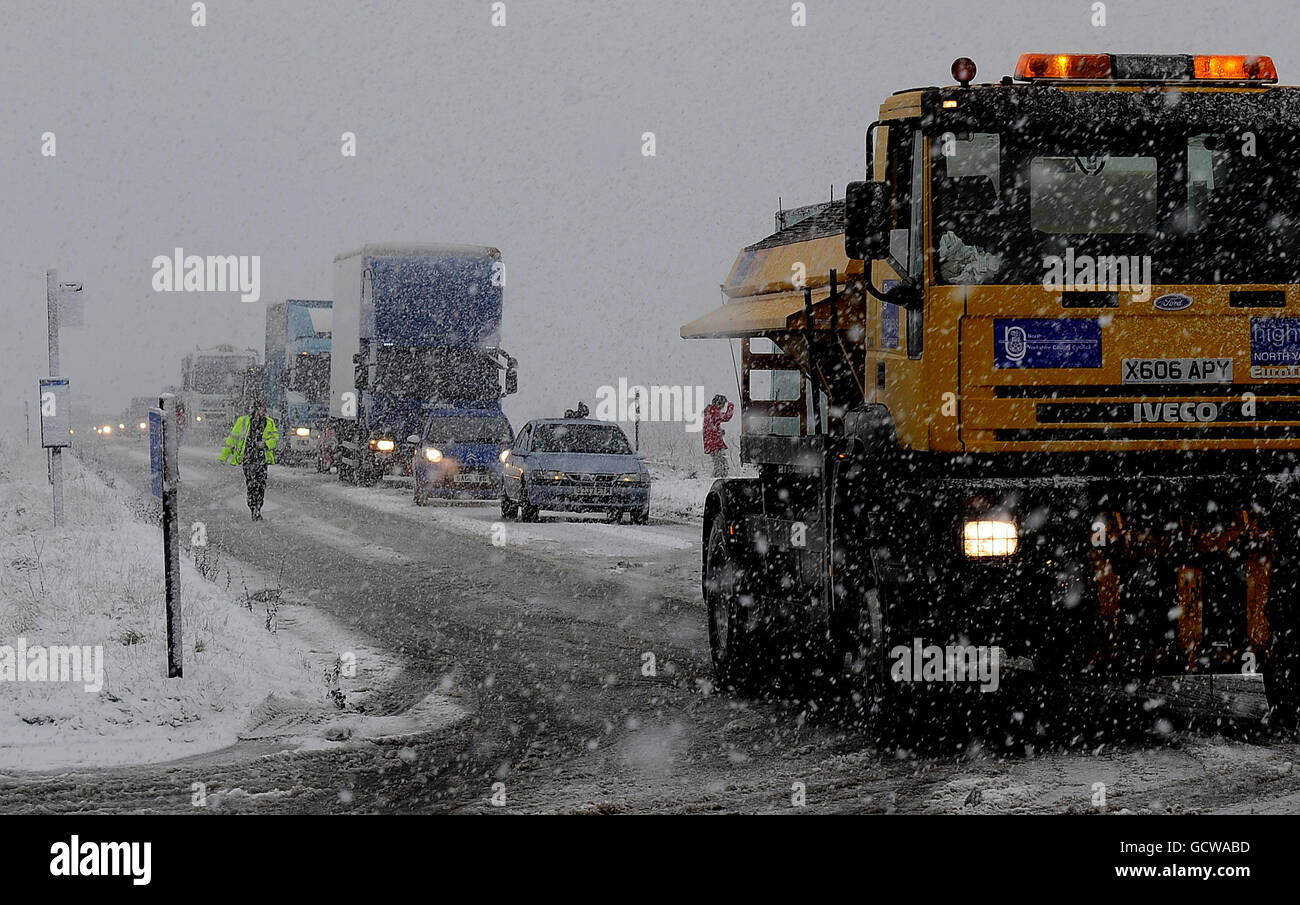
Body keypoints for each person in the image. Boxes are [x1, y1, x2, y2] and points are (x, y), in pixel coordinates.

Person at [219, 402, 278, 520]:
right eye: (262, 409)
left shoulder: (269, 422)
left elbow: (275, 439)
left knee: (261, 485)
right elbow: (232, 439)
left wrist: (265, 444)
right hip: (248, 458)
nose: (264, 412)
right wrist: (223, 457)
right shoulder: (243, 422)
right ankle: (253, 508)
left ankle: (258, 508)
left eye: (265, 410)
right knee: (251, 484)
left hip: (262, 459)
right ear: (255, 410)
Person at [702, 394, 734, 478]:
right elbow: (726, 417)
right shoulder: (714, 411)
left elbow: (711, 426)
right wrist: (730, 407)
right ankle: (717, 479)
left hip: (711, 442)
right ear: (719, 403)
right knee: (721, 465)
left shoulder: (710, 411)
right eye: (723, 405)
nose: (723, 407)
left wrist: (719, 431)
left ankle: (716, 478)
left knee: (719, 464)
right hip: (714, 443)